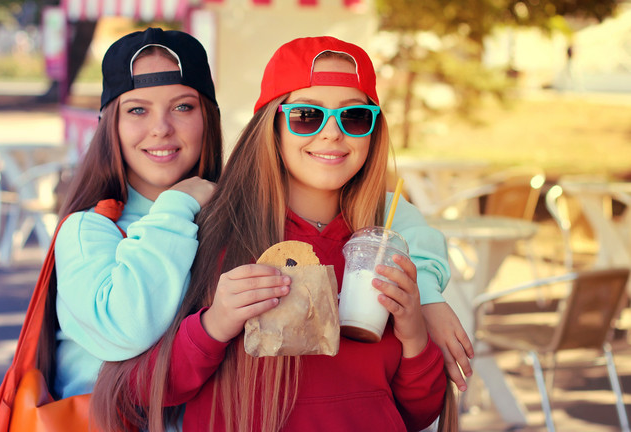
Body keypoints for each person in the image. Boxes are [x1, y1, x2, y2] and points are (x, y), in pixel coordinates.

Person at [93, 36, 469, 432]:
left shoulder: (385, 251)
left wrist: (413, 337)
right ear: (271, 126)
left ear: (372, 132)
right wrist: (214, 325)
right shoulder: (209, 236)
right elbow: (137, 390)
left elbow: (417, 413)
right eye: (307, 115)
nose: (332, 133)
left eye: (354, 117)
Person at [39, 27, 222, 399]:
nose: (161, 128)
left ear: (208, 119)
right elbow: (124, 329)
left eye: (183, 106)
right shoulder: (87, 230)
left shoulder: (237, 222)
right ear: (112, 126)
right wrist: (177, 203)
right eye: (137, 110)